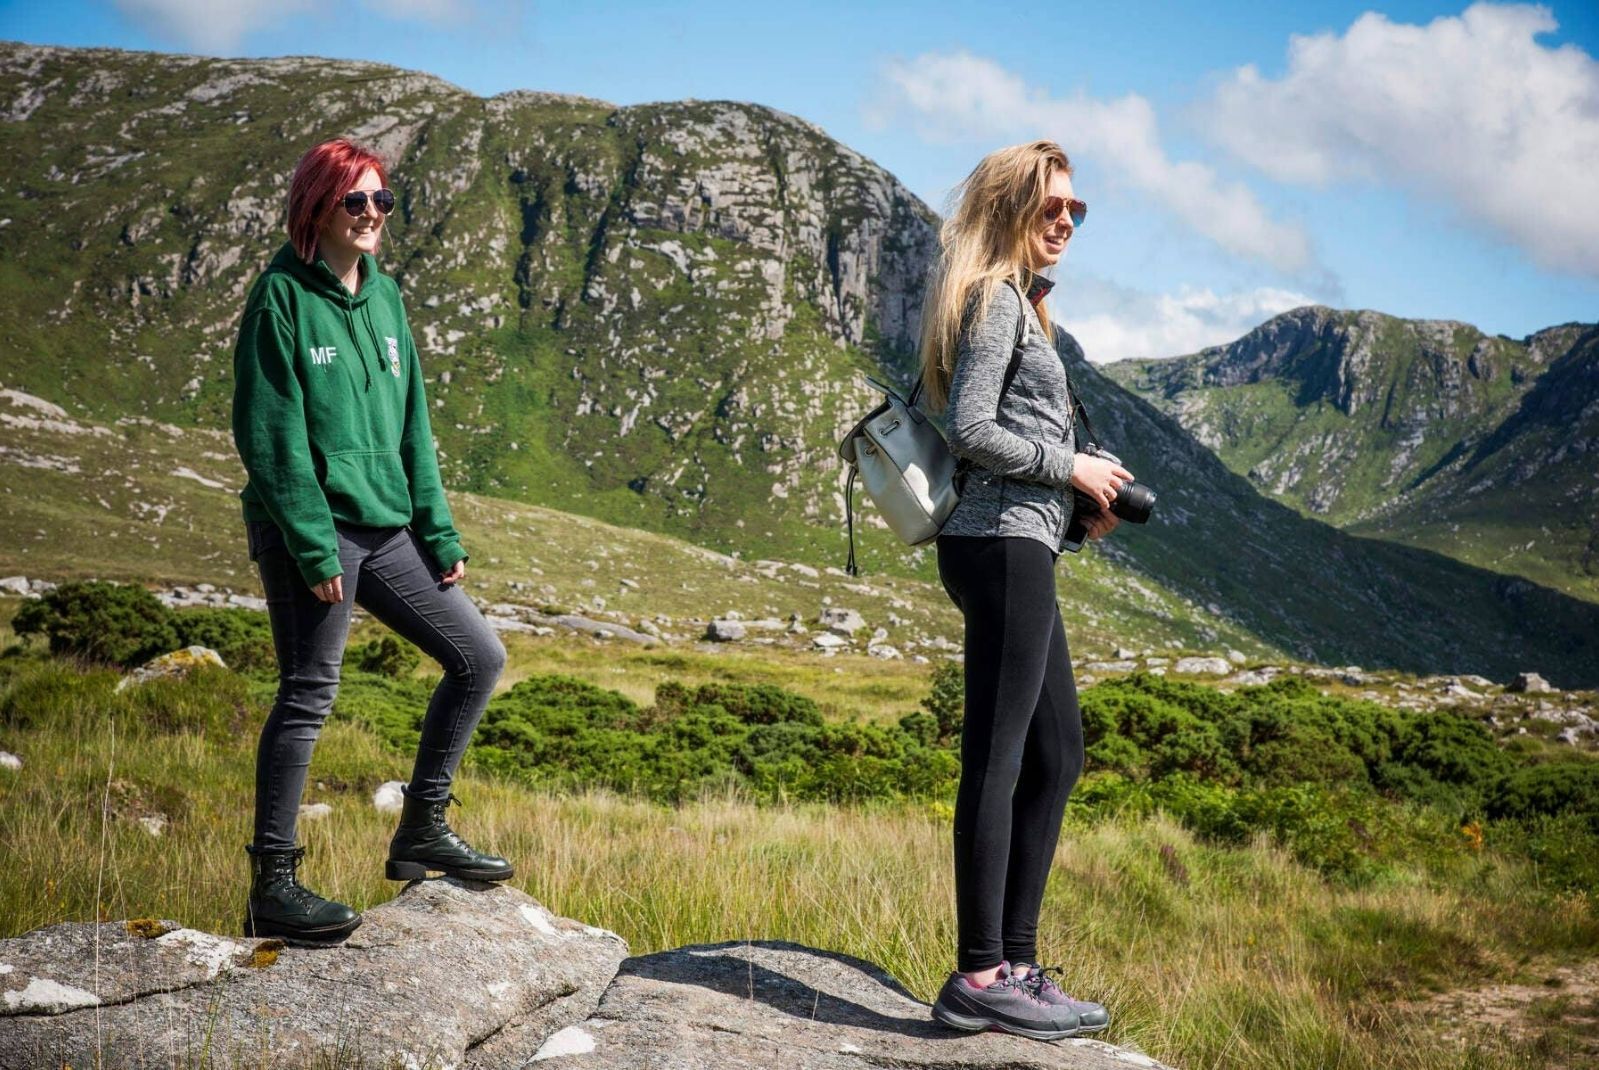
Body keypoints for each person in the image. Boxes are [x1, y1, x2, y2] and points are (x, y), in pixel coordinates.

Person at [232, 138, 512, 944]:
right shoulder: (279, 297)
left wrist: (438, 529)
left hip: (387, 525)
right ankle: (274, 883)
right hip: (309, 529)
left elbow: (412, 428)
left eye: (383, 201)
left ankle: (422, 827)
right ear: (316, 206)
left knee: (478, 657)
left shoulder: (385, 301)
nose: (372, 216)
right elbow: (270, 432)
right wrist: (314, 547)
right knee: (310, 692)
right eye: (356, 201)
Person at [919, 140, 1127, 1040]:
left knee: (1058, 756)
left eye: (1076, 211)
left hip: (1020, 542)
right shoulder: (997, 299)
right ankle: (979, 975)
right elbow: (969, 430)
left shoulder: (1024, 307)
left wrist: (1078, 502)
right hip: (997, 546)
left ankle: (1015, 965)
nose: (1065, 222)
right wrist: (1068, 463)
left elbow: (1004, 442)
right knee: (1001, 761)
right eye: (1050, 206)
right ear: (1008, 208)